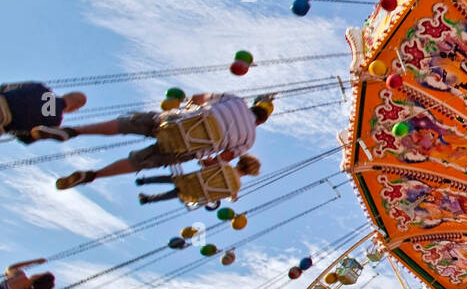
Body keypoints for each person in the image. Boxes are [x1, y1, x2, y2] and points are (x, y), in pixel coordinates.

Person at [53, 93, 271, 190]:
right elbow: (223, 157)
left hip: (178, 123)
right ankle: (93, 175)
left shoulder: (236, 100)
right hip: (188, 148)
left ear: (252, 107)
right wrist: (207, 163)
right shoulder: (249, 140)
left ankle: (74, 131)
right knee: (139, 162)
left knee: (127, 124)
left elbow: (198, 98)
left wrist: (188, 106)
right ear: (260, 123)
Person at [134, 154, 260, 206]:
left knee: (173, 179)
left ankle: (145, 180)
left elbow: (203, 164)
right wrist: (234, 197)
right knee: (177, 193)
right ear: (250, 173)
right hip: (195, 194)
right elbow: (230, 196)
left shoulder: (225, 166)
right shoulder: (236, 187)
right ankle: (148, 199)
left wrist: (206, 161)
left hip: (192, 180)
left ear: (240, 161)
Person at [1, 82, 87, 144]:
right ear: (74, 107)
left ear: (66, 95)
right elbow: (27, 138)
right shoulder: (55, 120)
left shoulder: (40, 87)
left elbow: (5, 87)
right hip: (4, 120)